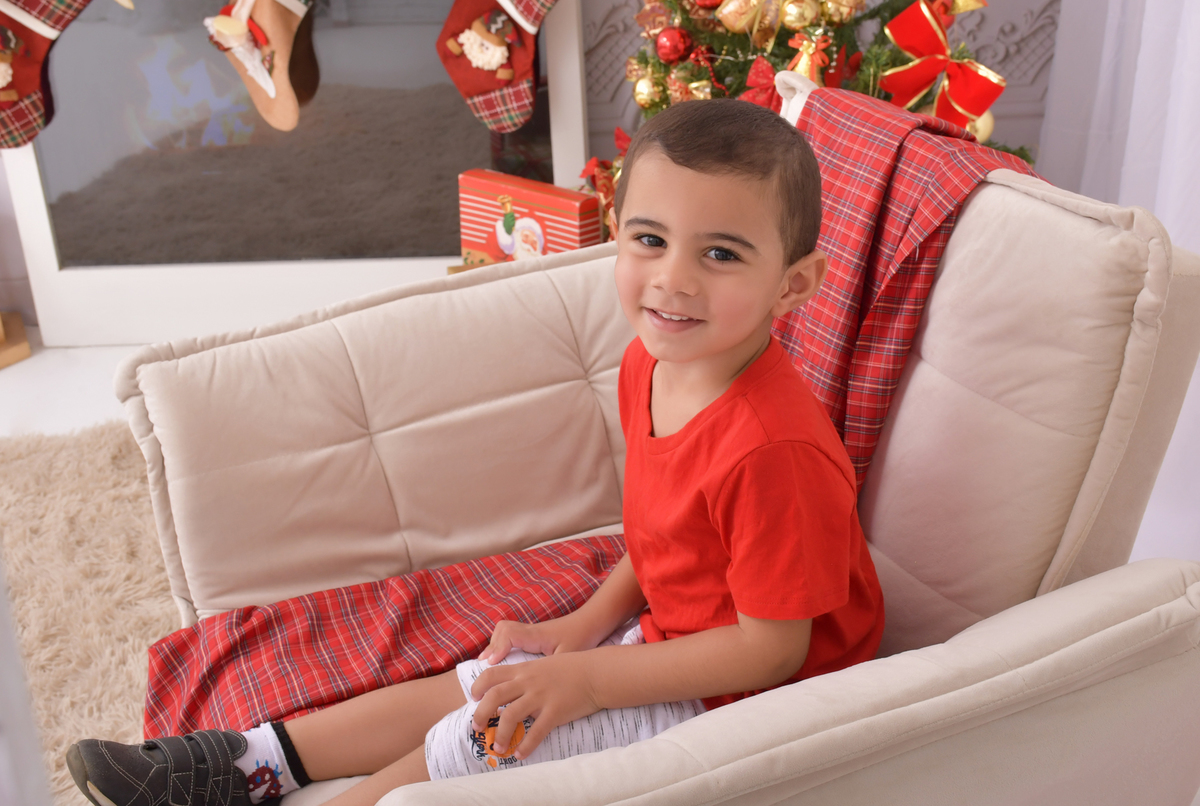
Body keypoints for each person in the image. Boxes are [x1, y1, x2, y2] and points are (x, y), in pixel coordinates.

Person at [65, 98, 885, 806]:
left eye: (721, 254)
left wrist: (590, 679)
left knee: (480, 735)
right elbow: (662, 538)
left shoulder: (772, 450)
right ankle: (243, 763)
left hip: (747, 700)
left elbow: (773, 649)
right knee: (479, 681)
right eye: (649, 239)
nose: (674, 279)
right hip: (675, 640)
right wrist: (581, 628)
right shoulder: (651, 362)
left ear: (793, 284)